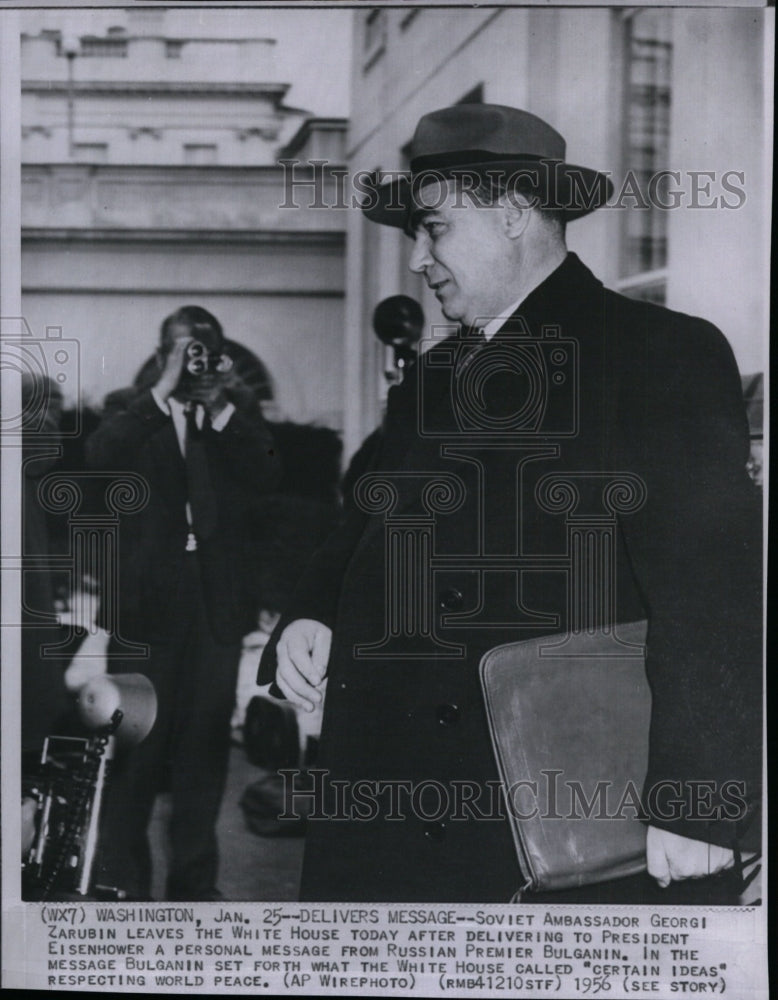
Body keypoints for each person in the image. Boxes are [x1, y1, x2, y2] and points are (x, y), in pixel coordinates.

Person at [259, 105, 761, 903]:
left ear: (515, 213)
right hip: (390, 814)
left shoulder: (661, 352)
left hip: (549, 822)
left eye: (434, 229)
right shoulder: (432, 375)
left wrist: (698, 801)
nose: (419, 259)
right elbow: (363, 523)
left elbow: (717, 594)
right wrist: (312, 613)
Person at [86, 305, 279, 900]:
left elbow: (269, 476)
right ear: (162, 350)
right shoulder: (130, 407)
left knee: (203, 757)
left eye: (202, 348)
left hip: (215, 608)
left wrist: (221, 402)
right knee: (136, 749)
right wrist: (162, 391)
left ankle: (195, 887)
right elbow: (97, 459)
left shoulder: (231, 415)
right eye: (181, 347)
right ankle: (123, 884)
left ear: (220, 354)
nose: (192, 357)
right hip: (146, 609)